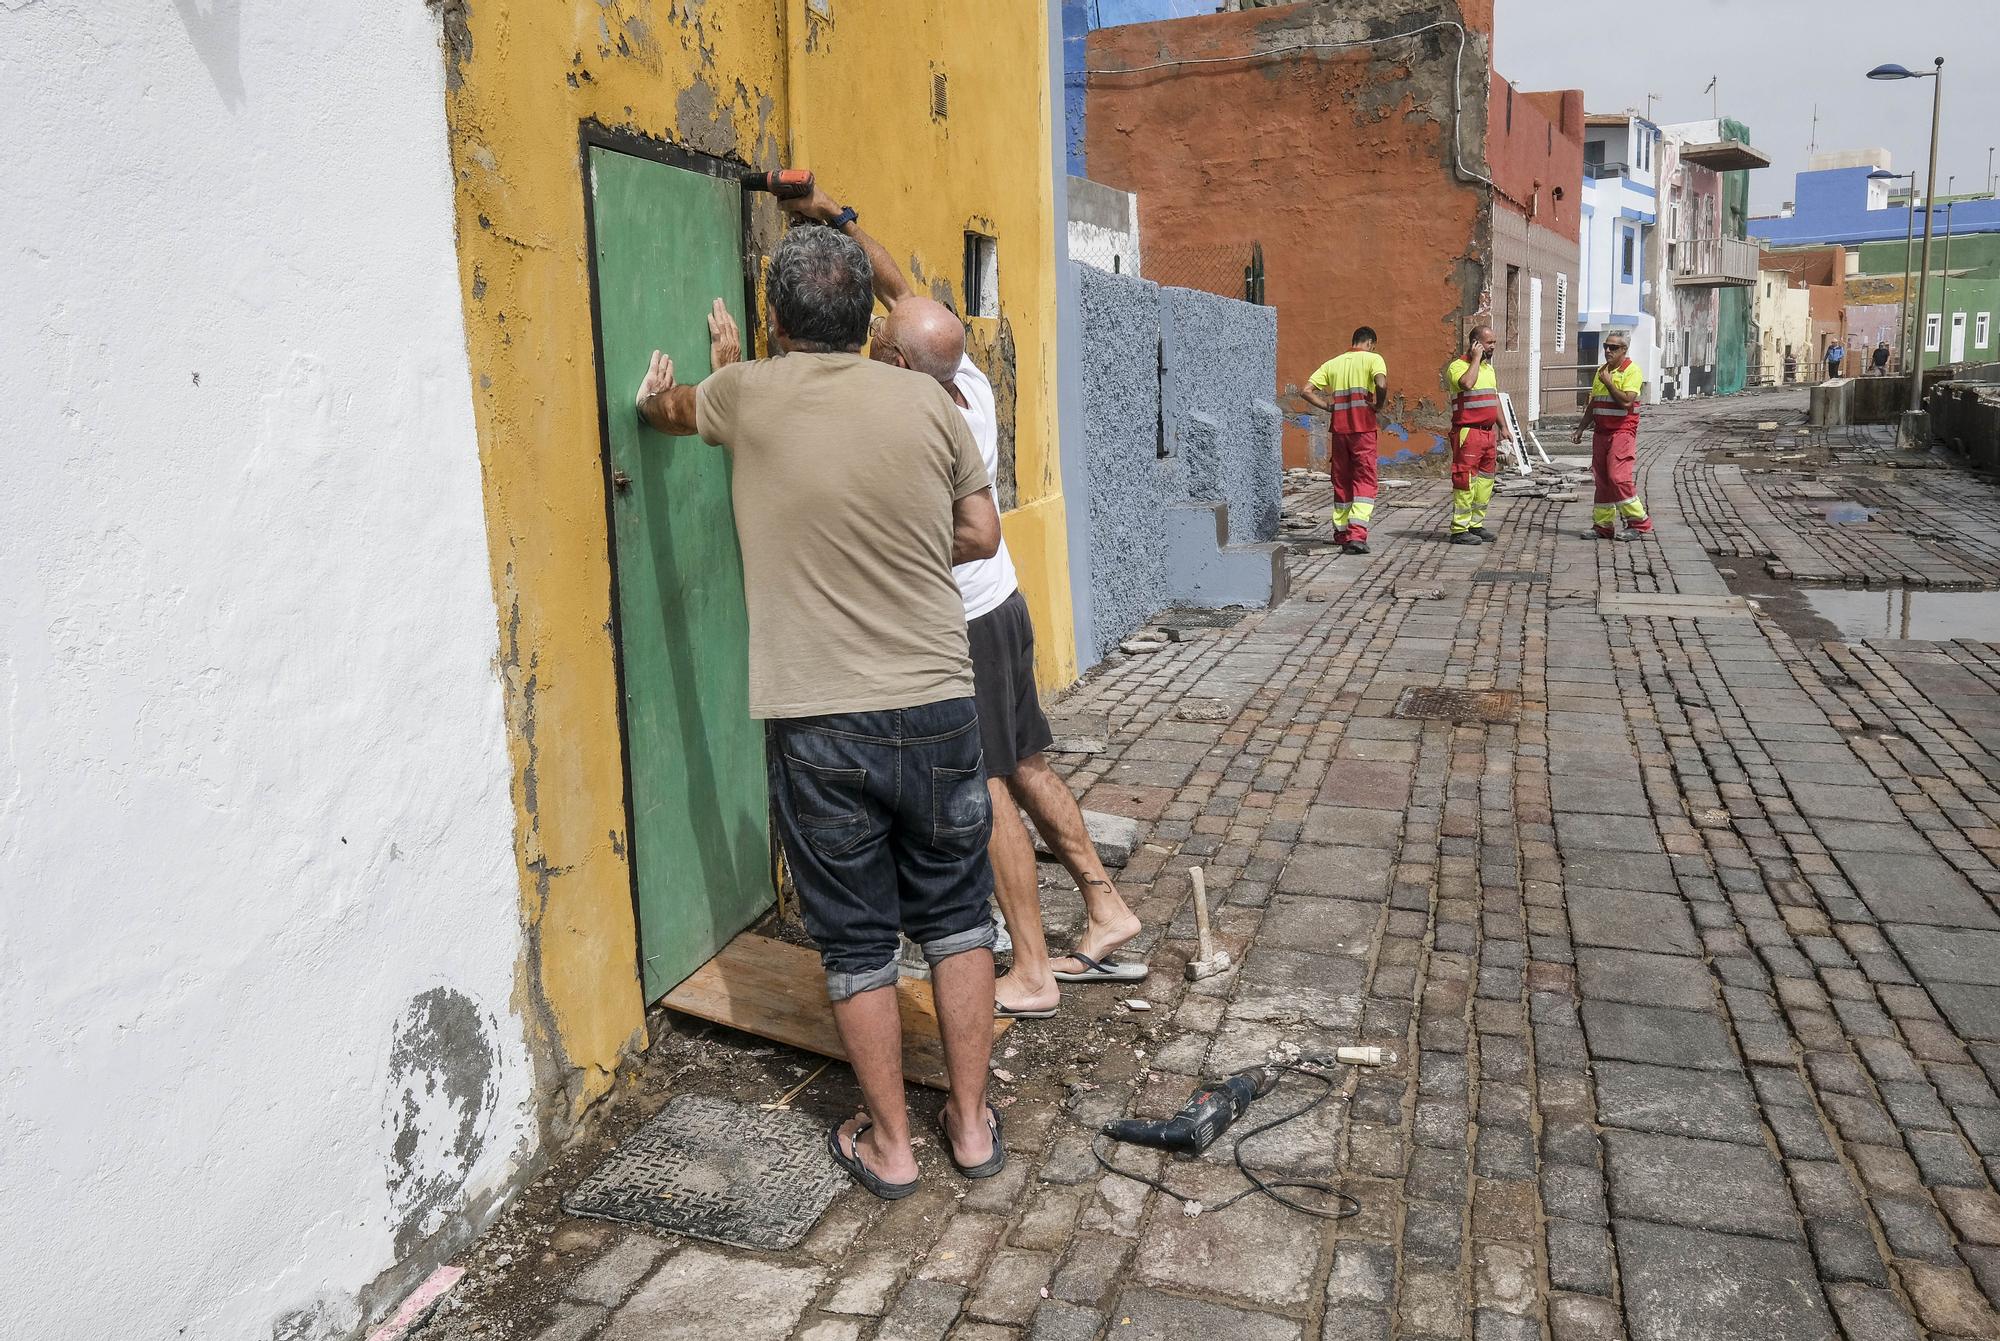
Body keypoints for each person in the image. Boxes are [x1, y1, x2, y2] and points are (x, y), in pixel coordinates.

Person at [634, 225, 1006, 1200]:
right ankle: (969, 1128)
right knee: (959, 916)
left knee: (855, 939)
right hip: (934, 702)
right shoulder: (930, 403)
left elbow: (668, 410)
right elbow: (979, 530)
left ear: (773, 315)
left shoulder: (744, 394)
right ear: (862, 321)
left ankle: (891, 1145)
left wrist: (673, 391)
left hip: (819, 719)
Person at [782, 184, 1146, 1018]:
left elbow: (950, 531)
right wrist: (837, 217)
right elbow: (897, 288)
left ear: (904, 366)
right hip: (1005, 604)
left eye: (881, 343)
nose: (873, 340)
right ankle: (1105, 906)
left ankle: (1032, 966)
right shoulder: (964, 375)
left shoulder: (910, 423)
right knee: (1027, 765)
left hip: (965, 620)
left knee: (982, 791)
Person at [1300, 327, 1388, 555]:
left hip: (1339, 431)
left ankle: (1341, 533)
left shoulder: (1334, 363)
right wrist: (1378, 405)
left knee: (1341, 481)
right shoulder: (1373, 359)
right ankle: (1357, 535)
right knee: (1365, 481)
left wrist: (1329, 406)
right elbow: (1381, 384)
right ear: (1370, 343)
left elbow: (1306, 390)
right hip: (1363, 431)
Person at [1572, 331, 1652, 541]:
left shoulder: (1632, 371)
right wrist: (1581, 428)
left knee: (1618, 477)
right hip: (1601, 433)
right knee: (1603, 480)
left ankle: (1638, 522)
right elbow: (1594, 403)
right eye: (1606, 346)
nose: (1607, 350)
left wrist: (1609, 382)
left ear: (1624, 350)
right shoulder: (1602, 371)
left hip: (1622, 431)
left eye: (1613, 347)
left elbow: (1626, 402)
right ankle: (1603, 526)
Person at [1444, 324, 1513, 546]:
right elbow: (1466, 383)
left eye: (1494, 342)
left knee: (1485, 482)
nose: (1493, 347)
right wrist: (1475, 359)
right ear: (1475, 343)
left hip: (1487, 434)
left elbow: (1493, 400)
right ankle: (1459, 529)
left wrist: (1503, 427)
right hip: (1468, 433)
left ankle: (1476, 524)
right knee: (1466, 481)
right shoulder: (1457, 367)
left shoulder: (1489, 369)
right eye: (1489, 342)